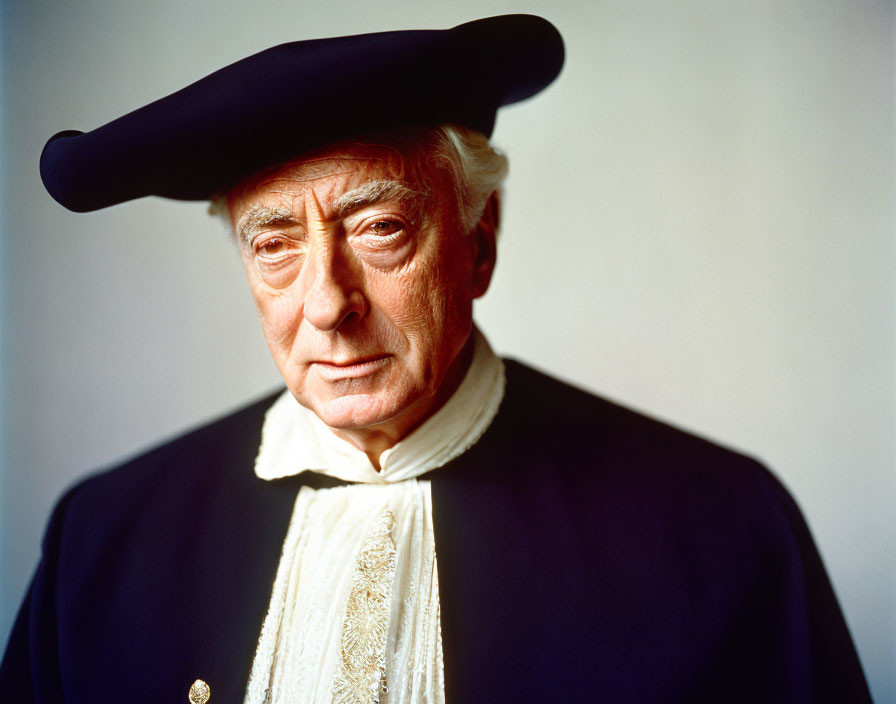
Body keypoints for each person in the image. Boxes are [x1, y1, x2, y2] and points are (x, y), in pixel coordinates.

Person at [0, 14, 872, 704]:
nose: (327, 304)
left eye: (380, 230)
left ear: (479, 243)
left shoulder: (721, 528)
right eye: (275, 244)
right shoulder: (102, 539)